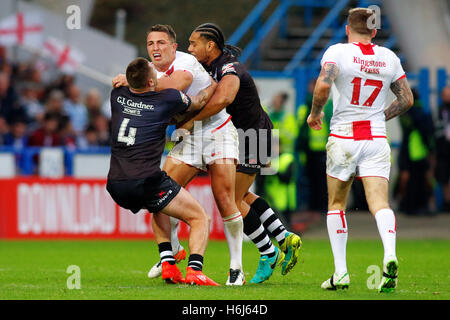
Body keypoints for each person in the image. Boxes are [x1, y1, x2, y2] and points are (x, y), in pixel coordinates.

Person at [112, 24, 245, 286]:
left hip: (218, 130)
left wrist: (131, 82)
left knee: (224, 198)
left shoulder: (186, 62)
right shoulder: (150, 71)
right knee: (159, 197)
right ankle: (170, 254)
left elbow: (177, 84)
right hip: (191, 134)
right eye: (151, 44)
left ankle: (236, 268)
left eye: (161, 43)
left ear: (174, 47)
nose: (155, 48)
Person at [181, 23, 302, 283]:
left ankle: (269, 253)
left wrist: (192, 121)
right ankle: (283, 238)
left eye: (193, 43)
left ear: (210, 46)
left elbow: (223, 99)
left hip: (253, 136)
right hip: (245, 136)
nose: (189, 49)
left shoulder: (229, 68)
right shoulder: (209, 66)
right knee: (241, 195)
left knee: (231, 200)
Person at [306, 8, 413, 293]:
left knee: (336, 204)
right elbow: (407, 100)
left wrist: (315, 112)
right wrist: (379, 117)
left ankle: (340, 273)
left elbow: (322, 86)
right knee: (380, 204)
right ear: (375, 31)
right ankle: (389, 254)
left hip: (343, 137)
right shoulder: (389, 58)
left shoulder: (337, 53)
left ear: (347, 29)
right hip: (376, 137)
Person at [107, 57, 219, 286]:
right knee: (200, 218)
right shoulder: (168, 98)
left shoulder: (117, 96)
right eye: (156, 77)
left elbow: (130, 86)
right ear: (151, 81)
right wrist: (213, 85)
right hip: (146, 180)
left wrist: (127, 82)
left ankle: (168, 263)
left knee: (159, 206)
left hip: (116, 185)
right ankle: (195, 270)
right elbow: (199, 101)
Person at [435, 86, 450, 212]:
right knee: (444, 176)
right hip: (443, 149)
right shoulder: (440, 110)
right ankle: (446, 201)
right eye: (445, 95)